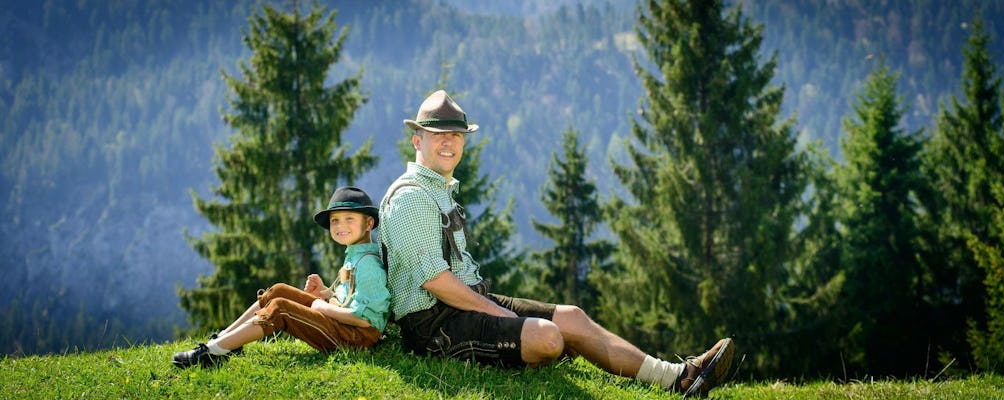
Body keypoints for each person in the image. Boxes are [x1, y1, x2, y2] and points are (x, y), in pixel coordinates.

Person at [378, 90, 735, 397]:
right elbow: (434, 280)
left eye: (456, 135)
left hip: (464, 304)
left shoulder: (438, 190)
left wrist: (494, 310)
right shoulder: (411, 196)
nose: (448, 143)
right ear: (417, 140)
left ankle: (678, 378)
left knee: (572, 318)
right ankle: (532, 350)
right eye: (437, 134)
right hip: (432, 326)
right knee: (548, 338)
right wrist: (500, 314)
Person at [173, 186, 390, 368]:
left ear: (369, 223)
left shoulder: (368, 263)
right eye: (335, 220)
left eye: (349, 219)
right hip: (348, 328)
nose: (340, 226)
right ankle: (224, 339)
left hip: (357, 338)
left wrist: (320, 306)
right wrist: (325, 293)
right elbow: (351, 298)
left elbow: (364, 318)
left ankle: (213, 353)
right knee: (278, 290)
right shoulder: (355, 255)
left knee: (280, 307)